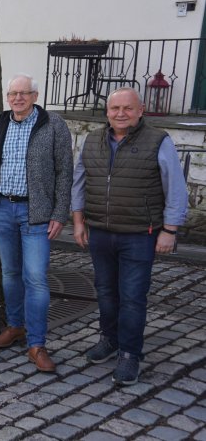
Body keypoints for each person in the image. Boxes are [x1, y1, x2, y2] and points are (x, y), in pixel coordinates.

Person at [72, 88, 188, 386]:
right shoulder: (92, 140)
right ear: (107, 111)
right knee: (105, 292)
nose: (120, 114)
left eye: (127, 108)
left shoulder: (158, 140)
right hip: (100, 232)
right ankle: (109, 340)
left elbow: (175, 188)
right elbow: (79, 183)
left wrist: (170, 230)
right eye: (115, 108)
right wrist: (78, 222)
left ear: (140, 110)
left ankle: (129, 353)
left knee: (133, 297)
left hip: (139, 234)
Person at [0, 74, 73, 372]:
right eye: (13, 94)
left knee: (36, 278)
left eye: (24, 93)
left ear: (35, 96)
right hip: (3, 209)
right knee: (10, 273)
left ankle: (37, 343)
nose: (18, 98)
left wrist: (59, 213)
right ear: (8, 97)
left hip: (37, 213)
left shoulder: (53, 124)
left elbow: (65, 172)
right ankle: (15, 325)